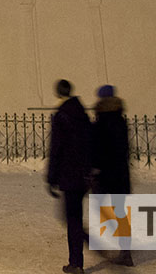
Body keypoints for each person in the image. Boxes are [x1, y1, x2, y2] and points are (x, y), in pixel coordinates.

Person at [46, 79, 92, 274]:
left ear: (58, 93)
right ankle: (82, 253)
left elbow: (56, 148)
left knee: (71, 219)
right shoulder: (83, 115)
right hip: (83, 176)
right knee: (75, 217)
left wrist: (51, 178)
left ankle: (76, 263)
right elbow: (90, 145)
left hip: (68, 175)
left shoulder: (61, 116)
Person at [93, 84, 133, 267]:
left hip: (105, 174)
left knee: (98, 206)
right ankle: (126, 250)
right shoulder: (120, 120)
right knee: (120, 212)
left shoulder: (101, 121)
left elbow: (98, 150)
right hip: (120, 174)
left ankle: (113, 240)